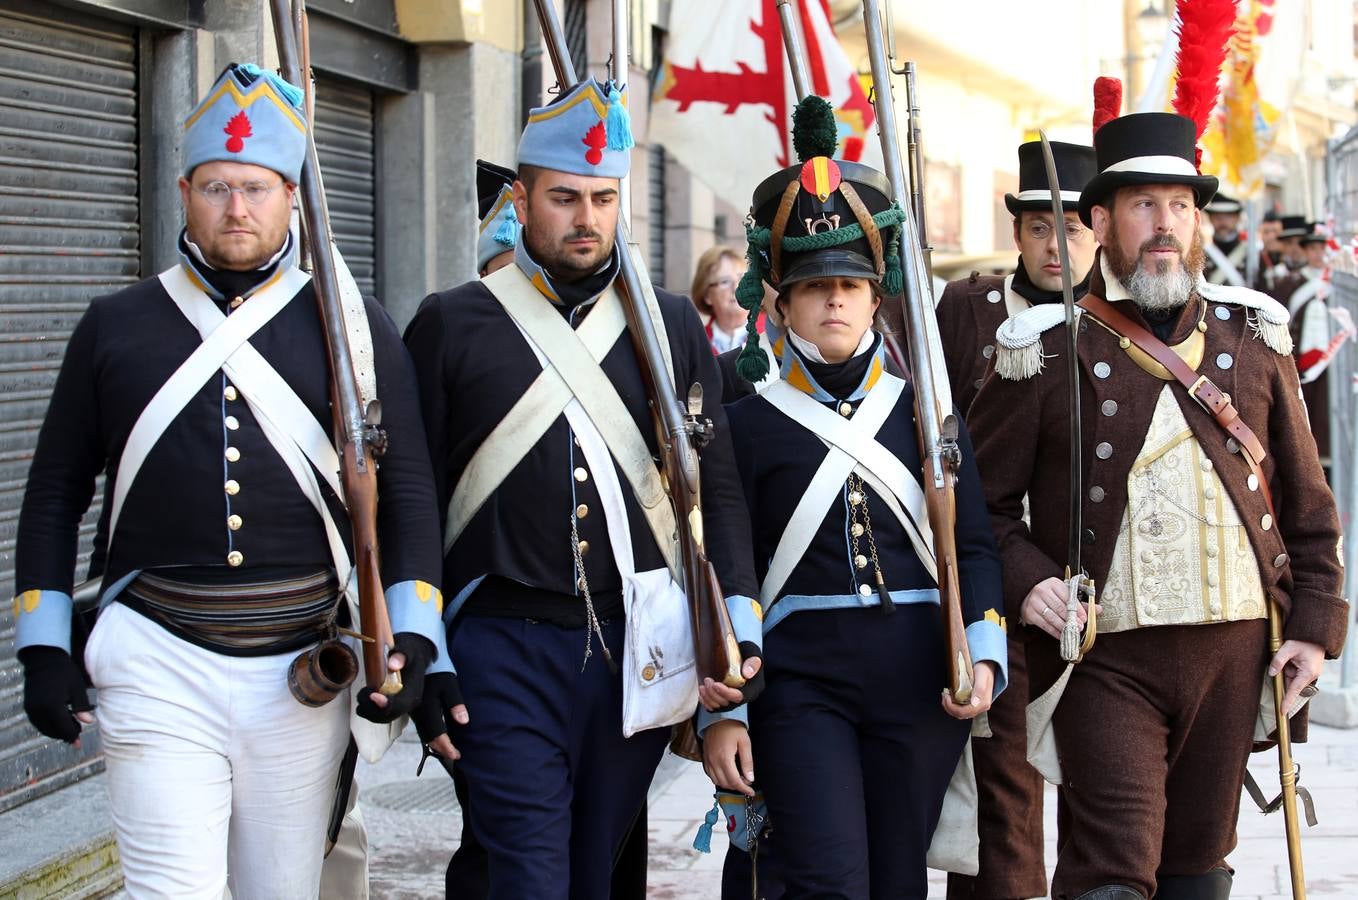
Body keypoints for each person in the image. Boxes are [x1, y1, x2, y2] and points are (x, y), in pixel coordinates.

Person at [12, 62, 447, 897]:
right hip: (155, 657)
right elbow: (55, 492)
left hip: (302, 672)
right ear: (184, 191)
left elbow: (411, 492)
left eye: (256, 186)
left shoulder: (354, 329)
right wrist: (42, 644)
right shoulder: (114, 325)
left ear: (291, 195)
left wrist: (416, 634)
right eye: (216, 187)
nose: (236, 208)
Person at [968, 109, 1349, 899]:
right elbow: (983, 509)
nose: (1165, 224)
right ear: (1100, 221)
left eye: (1180, 205)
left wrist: (1314, 632)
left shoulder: (1255, 340)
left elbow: (1310, 507)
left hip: (1238, 655)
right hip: (1109, 660)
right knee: (1111, 872)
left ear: (1199, 220)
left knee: (1197, 872)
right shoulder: (1044, 347)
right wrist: (1030, 579)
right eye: (1144, 205)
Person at [403, 77, 761, 899]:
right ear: (522, 201)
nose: (587, 218)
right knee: (529, 871)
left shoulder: (669, 325)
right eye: (565, 197)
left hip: (632, 649)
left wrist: (735, 630)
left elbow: (719, 491)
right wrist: (425, 651)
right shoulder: (451, 322)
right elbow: (411, 499)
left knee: (596, 872)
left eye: (604, 197)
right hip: (499, 641)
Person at [701, 100, 1008, 898]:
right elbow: (727, 562)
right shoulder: (745, 425)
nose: (833, 300)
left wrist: (985, 652)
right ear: (782, 304)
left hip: (918, 674)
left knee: (899, 882)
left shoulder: (926, 412)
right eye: (814, 287)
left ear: (878, 299)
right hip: (801, 681)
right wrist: (722, 705)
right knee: (828, 879)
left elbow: (971, 547)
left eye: (850, 284)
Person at [935, 137, 1097, 900]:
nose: (1055, 245)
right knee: (1003, 798)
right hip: (997, 582)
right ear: (1018, 234)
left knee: (1107, 801)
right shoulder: (968, 309)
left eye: (1071, 228)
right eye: (1039, 227)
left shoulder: (1122, 323)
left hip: (1101, 598)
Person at [692, 245, 761, 353]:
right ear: (707, 296)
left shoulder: (773, 332)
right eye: (725, 281)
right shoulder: (696, 344)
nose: (736, 288)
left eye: (742, 278)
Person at [1201, 192, 1248, 286]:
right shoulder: (1201, 254)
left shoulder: (1251, 253)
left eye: (1228, 216)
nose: (1222, 221)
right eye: (1217, 216)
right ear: (1210, 218)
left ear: (1238, 218)